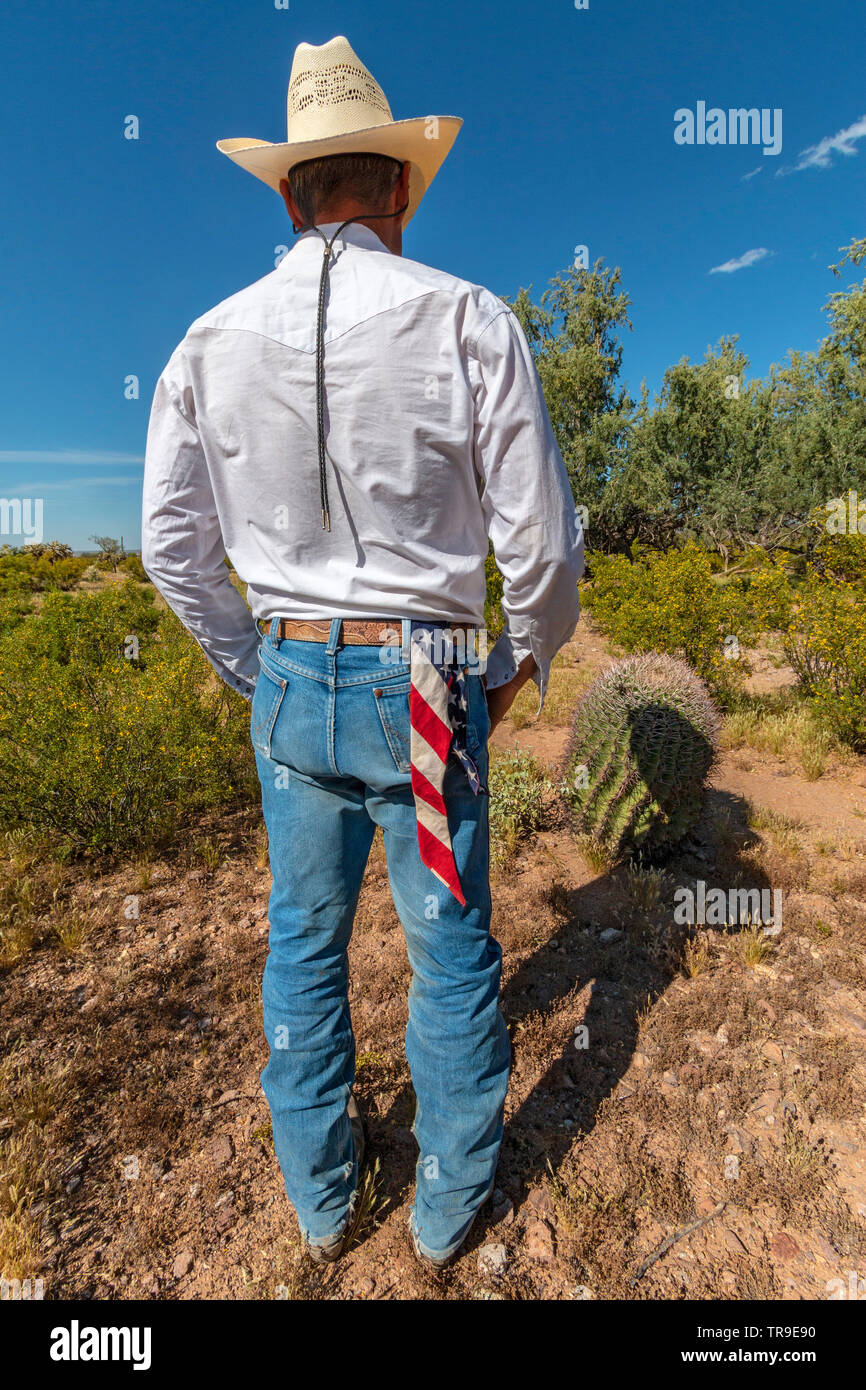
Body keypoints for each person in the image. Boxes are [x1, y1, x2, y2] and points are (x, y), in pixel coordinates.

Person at [142, 34, 583, 1270]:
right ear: (396, 187)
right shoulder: (467, 318)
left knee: (300, 936)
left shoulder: (204, 341)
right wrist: (512, 662)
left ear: (287, 196)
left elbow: (168, 546)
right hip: (433, 674)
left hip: (290, 670)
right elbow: (538, 547)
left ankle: (324, 1198)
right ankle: (445, 1210)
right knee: (446, 941)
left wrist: (255, 661)